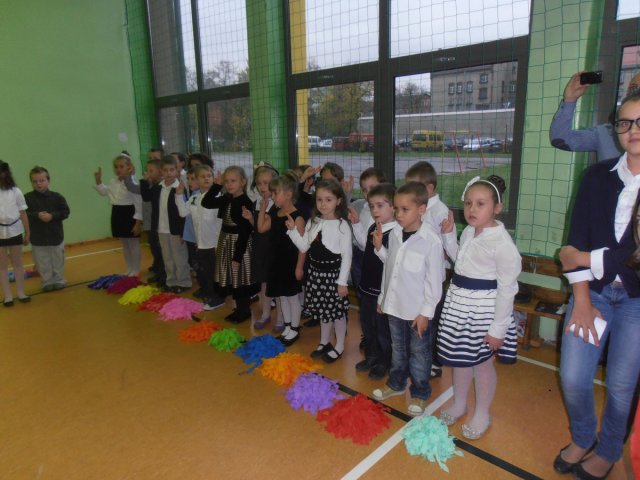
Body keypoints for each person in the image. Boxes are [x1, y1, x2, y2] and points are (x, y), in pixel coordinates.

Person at [552, 91, 640, 479]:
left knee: (621, 385)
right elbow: (574, 241)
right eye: (625, 122)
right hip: (594, 293)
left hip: (637, 301)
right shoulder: (596, 177)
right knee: (573, 376)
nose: (633, 129)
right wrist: (583, 300)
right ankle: (584, 436)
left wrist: (585, 258)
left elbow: (628, 254)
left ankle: (608, 449)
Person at [436, 175, 521, 440]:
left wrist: (498, 329)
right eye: (468, 203)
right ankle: (460, 403)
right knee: (460, 360)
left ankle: (482, 413)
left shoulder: (502, 244)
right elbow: (461, 261)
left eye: (480, 204)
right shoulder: (469, 232)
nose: (472, 209)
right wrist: (449, 236)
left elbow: (507, 290)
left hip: (483, 313)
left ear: (497, 208)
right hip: (460, 307)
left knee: (482, 365)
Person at [371, 182, 443, 416]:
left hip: (417, 312)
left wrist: (425, 313)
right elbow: (391, 267)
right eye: (396, 208)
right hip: (395, 307)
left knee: (419, 353)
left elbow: (435, 282)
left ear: (421, 209)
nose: (398, 214)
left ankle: (420, 392)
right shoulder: (395, 234)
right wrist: (383, 297)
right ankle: (397, 383)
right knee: (398, 349)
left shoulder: (430, 241)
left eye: (404, 209)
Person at [286, 179, 352, 362]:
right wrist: (293, 231)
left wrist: (342, 282)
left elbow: (347, 256)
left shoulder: (342, 225)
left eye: (328, 200)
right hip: (317, 274)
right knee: (324, 311)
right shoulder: (313, 221)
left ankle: (339, 345)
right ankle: (324, 342)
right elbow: (304, 246)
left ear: (338, 201)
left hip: (333, 277)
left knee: (337, 313)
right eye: (319, 199)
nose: (323, 204)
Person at [405, 160, 458, 378]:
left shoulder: (439, 211)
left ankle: (434, 362)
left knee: (432, 321)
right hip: (418, 275)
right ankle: (421, 358)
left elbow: (447, 245)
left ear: (428, 188)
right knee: (420, 319)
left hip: (435, 277)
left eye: (414, 187)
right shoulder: (420, 207)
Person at [349, 183, 396, 380]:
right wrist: (356, 224)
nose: (375, 210)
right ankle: (372, 356)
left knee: (382, 330)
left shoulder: (396, 233)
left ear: (393, 207)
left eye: (380, 206)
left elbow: (394, 264)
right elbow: (363, 243)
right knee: (367, 325)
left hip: (382, 293)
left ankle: (384, 362)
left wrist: (379, 247)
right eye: (372, 206)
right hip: (367, 288)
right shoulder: (373, 226)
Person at [201, 166, 257, 323]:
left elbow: (245, 232)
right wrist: (216, 185)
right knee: (232, 278)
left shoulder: (245, 202)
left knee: (240, 278)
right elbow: (206, 202)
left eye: (233, 181)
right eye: (226, 181)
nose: (229, 184)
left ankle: (244, 310)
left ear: (243, 182)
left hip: (239, 245)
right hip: (226, 242)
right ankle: (239, 308)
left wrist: (238, 257)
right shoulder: (226, 198)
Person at [549, 71, 640, 161]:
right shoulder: (607, 134)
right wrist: (570, 99)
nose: (637, 94)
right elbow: (561, 139)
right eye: (634, 88)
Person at [258, 171, 305, 344]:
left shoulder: (297, 217)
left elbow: (303, 247)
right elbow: (261, 228)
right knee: (282, 297)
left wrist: (299, 267)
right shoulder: (276, 212)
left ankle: (294, 328)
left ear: (288, 194)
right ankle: (287, 326)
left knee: (292, 297)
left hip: (290, 264)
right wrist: (263, 210)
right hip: (276, 263)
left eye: (275, 192)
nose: (272, 196)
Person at [175, 164, 225, 310]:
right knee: (206, 272)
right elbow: (183, 212)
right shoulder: (194, 198)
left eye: (209, 176)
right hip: (201, 244)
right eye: (202, 176)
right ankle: (210, 294)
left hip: (214, 245)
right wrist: (179, 195)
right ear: (196, 180)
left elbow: (221, 223)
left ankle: (218, 298)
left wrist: (219, 244)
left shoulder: (218, 198)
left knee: (215, 273)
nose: (206, 179)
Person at [140, 156, 191, 293]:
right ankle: (171, 281)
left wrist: (183, 233)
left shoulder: (180, 188)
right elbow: (146, 198)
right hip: (161, 230)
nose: (168, 173)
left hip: (175, 231)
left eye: (172, 170)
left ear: (177, 171)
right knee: (167, 258)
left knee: (179, 257)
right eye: (165, 170)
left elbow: (184, 213)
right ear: (161, 172)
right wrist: (145, 181)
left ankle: (183, 282)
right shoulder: (158, 188)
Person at [94, 152, 142, 276]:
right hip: (117, 213)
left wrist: (137, 223)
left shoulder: (133, 183)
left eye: (121, 166)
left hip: (129, 213)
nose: (118, 169)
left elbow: (138, 203)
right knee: (125, 243)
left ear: (129, 167)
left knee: (133, 243)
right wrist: (98, 180)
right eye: (116, 167)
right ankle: (129, 268)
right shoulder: (113, 181)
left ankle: (136, 270)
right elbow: (104, 192)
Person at [243, 164, 279, 329]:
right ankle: (265, 314)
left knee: (276, 286)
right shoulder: (257, 203)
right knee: (263, 284)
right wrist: (251, 219)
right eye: (259, 183)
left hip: (274, 250)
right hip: (260, 249)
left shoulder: (277, 204)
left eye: (266, 183)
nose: (262, 187)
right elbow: (257, 229)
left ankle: (281, 319)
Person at [24, 166, 70, 292]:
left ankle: (59, 280)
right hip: (38, 238)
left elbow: (65, 212)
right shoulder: (27, 198)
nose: (38, 183)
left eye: (42, 180)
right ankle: (47, 282)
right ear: (31, 182)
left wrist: (52, 216)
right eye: (35, 181)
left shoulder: (57, 197)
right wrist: (37, 215)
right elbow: (23, 214)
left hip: (56, 236)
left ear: (48, 180)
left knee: (58, 260)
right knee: (42, 261)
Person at [124, 158, 165, 285]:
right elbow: (133, 188)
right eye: (147, 170)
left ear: (160, 172)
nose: (147, 173)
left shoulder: (161, 186)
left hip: (159, 224)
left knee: (160, 251)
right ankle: (158, 272)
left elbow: (148, 198)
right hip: (149, 223)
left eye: (151, 171)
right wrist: (129, 176)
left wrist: (145, 182)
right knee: (154, 250)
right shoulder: (149, 184)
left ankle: (163, 275)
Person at [0, 160, 31, 306]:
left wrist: (27, 232)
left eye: (3, 172)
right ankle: (8, 296)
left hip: (15, 230)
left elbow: (23, 213)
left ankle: (21, 292)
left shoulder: (16, 191)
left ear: (7, 174)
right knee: (2, 265)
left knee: (17, 263)